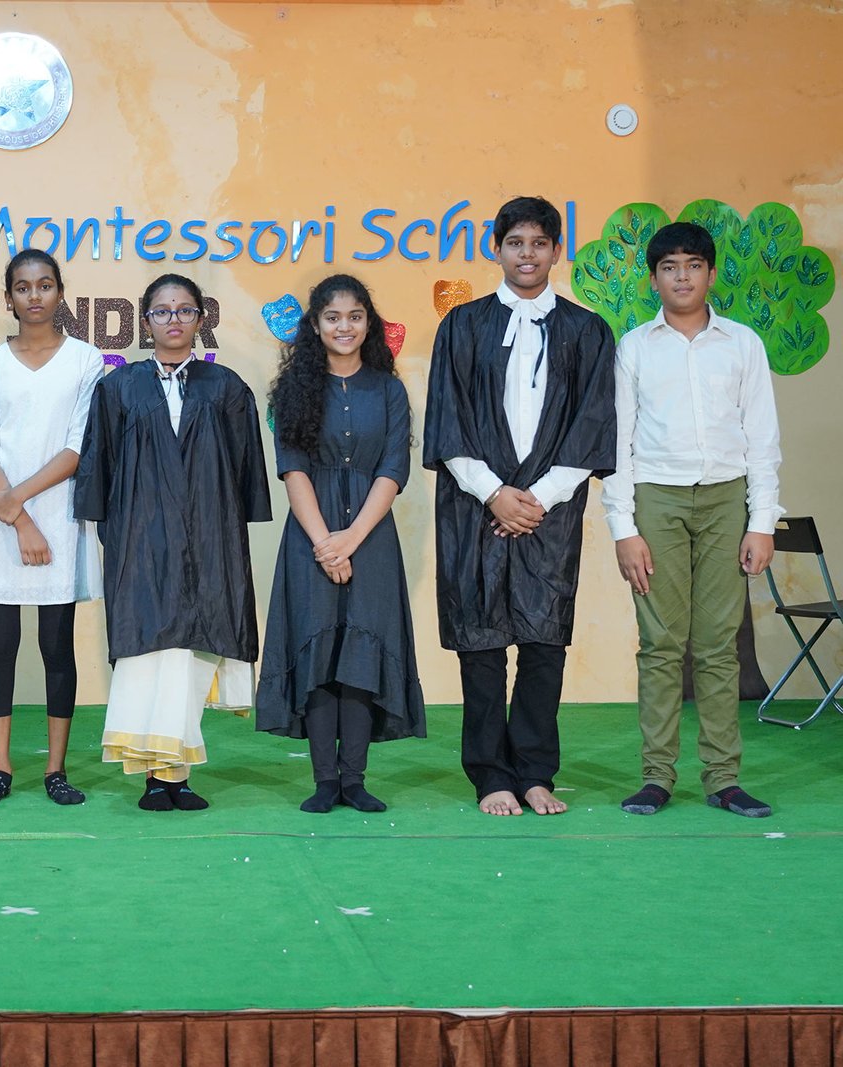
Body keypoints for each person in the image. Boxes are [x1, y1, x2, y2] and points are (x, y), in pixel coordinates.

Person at [422, 195, 616, 817]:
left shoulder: (587, 331)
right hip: (474, 505)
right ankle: (490, 776)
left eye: (538, 243)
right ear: (497, 250)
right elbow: (447, 419)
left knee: (543, 643)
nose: (526, 254)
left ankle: (534, 773)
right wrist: (494, 493)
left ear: (556, 251)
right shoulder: (462, 326)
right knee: (480, 645)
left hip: (550, 510)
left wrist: (540, 498)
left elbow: (593, 425)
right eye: (515, 243)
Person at [601, 221, 781, 818]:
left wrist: (762, 521)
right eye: (670, 267)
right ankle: (657, 777)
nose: (682, 277)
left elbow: (762, 438)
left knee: (718, 646)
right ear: (654, 279)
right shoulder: (634, 348)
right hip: (656, 499)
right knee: (660, 643)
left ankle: (724, 779)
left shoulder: (743, 344)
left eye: (693, 265)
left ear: (710, 274)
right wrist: (624, 529)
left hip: (729, 500)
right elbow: (618, 443)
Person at [75, 273, 272, 811]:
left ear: (200, 318)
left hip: (207, 537)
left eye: (185, 310)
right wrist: (115, 537)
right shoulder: (118, 388)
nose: (174, 320)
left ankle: (176, 777)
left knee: (187, 654)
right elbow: (100, 466)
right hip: (139, 540)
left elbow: (244, 469)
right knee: (147, 652)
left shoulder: (225, 387)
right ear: (145, 322)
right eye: (162, 311)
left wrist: (224, 533)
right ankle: (151, 776)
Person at [256, 275, 425, 813]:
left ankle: (354, 780)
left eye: (354, 316)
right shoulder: (292, 390)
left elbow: (393, 469)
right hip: (311, 536)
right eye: (332, 317)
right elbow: (293, 470)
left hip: (371, 537)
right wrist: (325, 544)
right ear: (315, 325)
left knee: (360, 656)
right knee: (319, 656)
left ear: (368, 323)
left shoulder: (389, 389)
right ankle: (324, 781)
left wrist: (351, 539)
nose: (344, 326)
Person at [0, 249, 104, 807]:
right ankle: (0, 769)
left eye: (45, 285)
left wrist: (18, 503)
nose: (34, 296)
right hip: (2, 523)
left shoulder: (86, 360)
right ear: (8, 298)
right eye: (22, 287)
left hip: (58, 520)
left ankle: (55, 770)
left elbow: (77, 445)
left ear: (60, 292)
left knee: (56, 648)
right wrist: (18, 518)